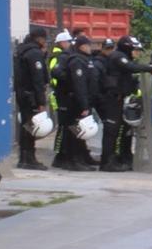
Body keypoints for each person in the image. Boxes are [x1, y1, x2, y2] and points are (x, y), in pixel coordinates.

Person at [101, 35, 152, 172]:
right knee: (112, 131)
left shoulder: (123, 57)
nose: (137, 52)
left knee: (122, 131)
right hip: (113, 99)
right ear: (127, 48)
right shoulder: (118, 56)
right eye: (135, 49)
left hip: (120, 98)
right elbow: (130, 67)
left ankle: (122, 158)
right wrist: (150, 68)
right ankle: (108, 162)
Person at [57, 35, 97, 171]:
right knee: (75, 133)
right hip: (75, 102)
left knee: (78, 133)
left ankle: (78, 159)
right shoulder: (77, 61)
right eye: (88, 45)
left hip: (79, 101)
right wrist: (84, 105)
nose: (90, 48)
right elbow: (79, 85)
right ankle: (74, 161)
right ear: (81, 46)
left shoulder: (83, 59)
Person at [13, 28, 50, 170]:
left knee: (25, 126)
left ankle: (24, 158)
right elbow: (38, 79)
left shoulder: (21, 50)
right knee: (32, 127)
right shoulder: (34, 53)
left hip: (22, 94)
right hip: (31, 96)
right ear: (39, 39)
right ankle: (29, 158)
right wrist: (41, 102)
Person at [49, 30, 73, 168]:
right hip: (60, 94)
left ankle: (63, 154)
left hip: (61, 94)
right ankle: (58, 155)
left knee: (64, 125)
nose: (69, 44)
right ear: (62, 42)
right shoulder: (57, 56)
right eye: (68, 42)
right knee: (62, 126)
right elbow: (55, 75)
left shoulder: (62, 55)